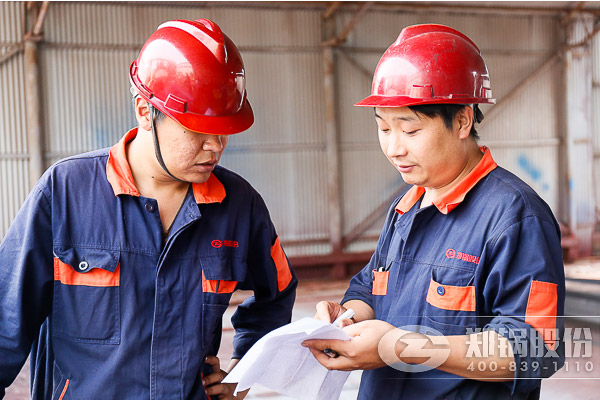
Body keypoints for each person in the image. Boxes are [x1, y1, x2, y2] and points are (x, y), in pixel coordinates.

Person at [0, 18, 297, 400]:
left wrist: (249, 366)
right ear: (145, 111)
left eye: (223, 129)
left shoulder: (239, 205)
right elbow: (6, 323)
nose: (215, 146)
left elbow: (278, 292)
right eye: (198, 130)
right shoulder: (65, 194)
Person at [302, 24, 565, 399]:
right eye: (383, 128)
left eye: (409, 130)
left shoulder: (515, 217)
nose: (394, 148)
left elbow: (534, 350)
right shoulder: (408, 204)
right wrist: (348, 316)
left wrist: (400, 346)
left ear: (462, 120)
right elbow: (370, 287)